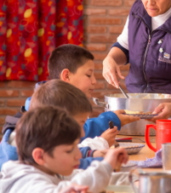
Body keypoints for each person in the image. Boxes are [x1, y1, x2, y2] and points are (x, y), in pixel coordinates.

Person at [0, 106, 128, 193]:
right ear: (40, 156)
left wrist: (131, 178)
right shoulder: (25, 181)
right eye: (69, 150)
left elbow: (84, 178)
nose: (78, 155)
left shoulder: (51, 169)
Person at [23, 44, 139, 139]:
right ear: (66, 75)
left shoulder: (63, 102)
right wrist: (112, 120)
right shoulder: (43, 107)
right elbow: (72, 134)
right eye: (88, 75)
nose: (94, 81)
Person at [0, 80, 108, 170]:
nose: (82, 132)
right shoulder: (21, 164)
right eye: (79, 124)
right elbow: (63, 169)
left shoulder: (39, 141)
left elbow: (63, 157)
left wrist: (93, 156)